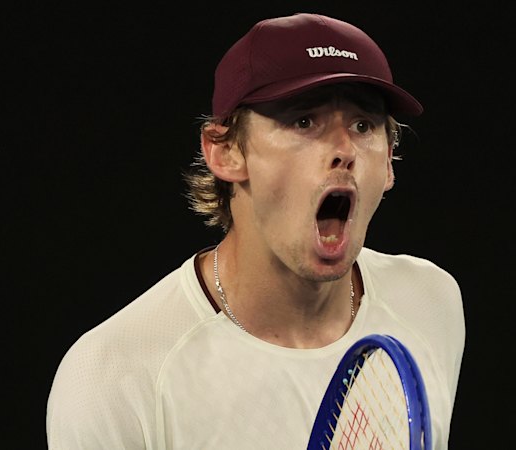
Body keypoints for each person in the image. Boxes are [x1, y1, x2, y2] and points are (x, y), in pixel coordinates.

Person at [46, 13, 465, 449]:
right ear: (225, 152)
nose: (344, 150)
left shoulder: (431, 303)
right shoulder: (113, 377)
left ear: (390, 160)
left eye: (364, 125)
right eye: (304, 122)